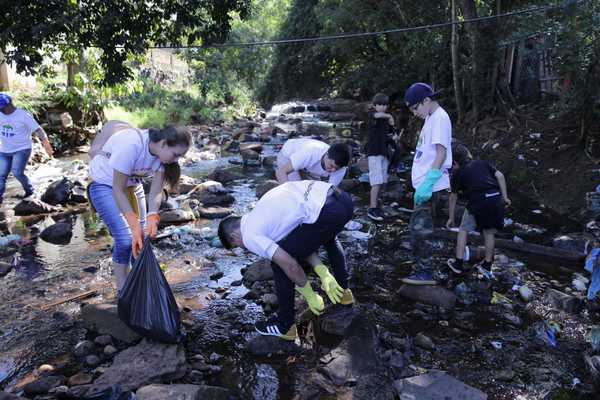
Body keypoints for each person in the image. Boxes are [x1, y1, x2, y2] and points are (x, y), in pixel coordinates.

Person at [218, 180, 354, 341]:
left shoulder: (249, 235)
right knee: (329, 239)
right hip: (343, 200)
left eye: (236, 246)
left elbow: (289, 264)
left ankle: (285, 326)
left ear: (234, 236)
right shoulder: (264, 215)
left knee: (279, 265)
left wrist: (310, 295)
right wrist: (322, 271)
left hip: (328, 211)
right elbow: (303, 243)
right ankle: (344, 293)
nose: (242, 248)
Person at [88, 121, 192, 293]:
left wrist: (153, 216)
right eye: (176, 155)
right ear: (164, 143)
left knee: (142, 238)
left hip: (132, 184)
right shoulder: (132, 145)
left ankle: (141, 282)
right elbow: (118, 189)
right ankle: (124, 290)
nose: (176, 160)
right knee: (125, 238)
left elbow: (156, 192)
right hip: (105, 184)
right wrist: (134, 224)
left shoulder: (160, 157)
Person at [402, 83, 452, 285]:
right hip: (425, 185)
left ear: (426, 101)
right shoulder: (431, 117)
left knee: (420, 230)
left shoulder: (440, 118)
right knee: (418, 228)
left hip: (432, 186)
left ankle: (425, 273)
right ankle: (420, 265)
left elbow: (442, 153)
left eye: (415, 108)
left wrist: (428, 183)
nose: (414, 113)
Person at [446, 144, 511, 276]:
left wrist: (451, 217)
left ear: (455, 162)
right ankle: (487, 266)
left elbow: (453, 197)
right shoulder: (483, 163)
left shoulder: (458, 172)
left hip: (478, 201)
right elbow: (500, 176)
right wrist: (505, 197)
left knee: (463, 230)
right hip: (495, 198)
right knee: (489, 233)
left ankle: (458, 264)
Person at [0, 94, 54, 204]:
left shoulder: (23, 115)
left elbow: (38, 130)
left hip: (22, 149)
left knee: (17, 172)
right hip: (5, 150)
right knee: (1, 174)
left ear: (8, 105)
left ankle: (30, 192)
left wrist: (47, 145)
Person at [366, 93, 395, 221]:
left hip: (384, 153)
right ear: (374, 105)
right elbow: (377, 115)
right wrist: (389, 116)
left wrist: (394, 137)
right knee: (376, 181)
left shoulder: (385, 121)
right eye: (380, 105)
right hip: (374, 153)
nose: (382, 107)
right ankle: (372, 208)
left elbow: (389, 135)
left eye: (385, 105)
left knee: (383, 180)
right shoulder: (372, 115)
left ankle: (378, 205)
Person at [275, 138, 350, 186]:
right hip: (287, 154)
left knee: (311, 189)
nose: (333, 170)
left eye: (336, 168)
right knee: (295, 188)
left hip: (306, 164)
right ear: (326, 155)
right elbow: (281, 171)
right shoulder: (310, 153)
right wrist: (287, 191)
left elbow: (329, 190)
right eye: (331, 165)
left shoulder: (341, 169)